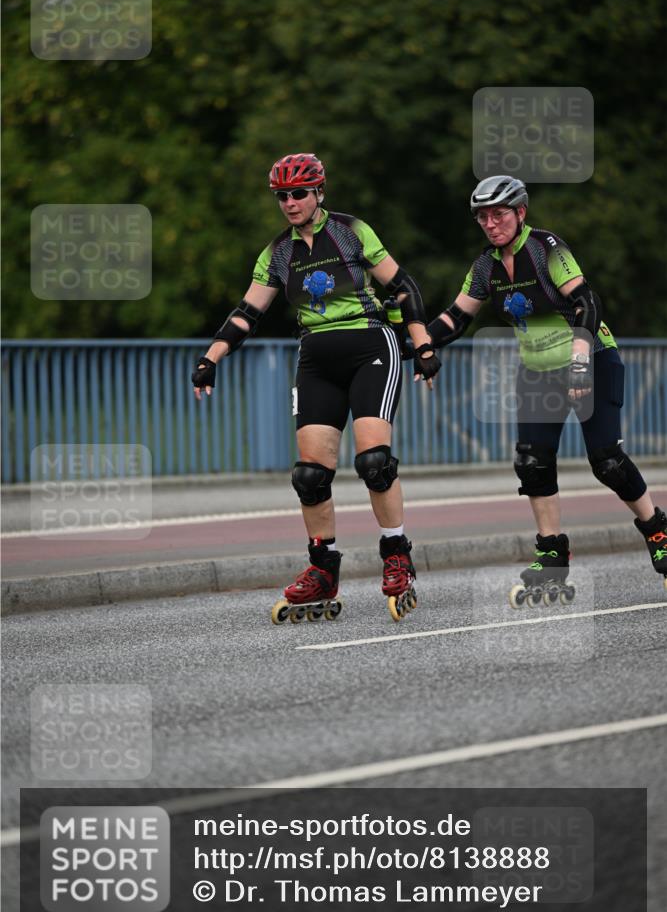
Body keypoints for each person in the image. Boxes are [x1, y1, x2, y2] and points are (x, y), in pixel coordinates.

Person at [192, 153, 441, 621]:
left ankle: (396, 555)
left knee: (373, 462)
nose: (290, 202)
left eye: (299, 193)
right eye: (282, 196)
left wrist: (423, 344)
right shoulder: (278, 253)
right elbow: (247, 312)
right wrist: (211, 357)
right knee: (309, 475)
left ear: (319, 193)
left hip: (371, 345)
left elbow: (403, 285)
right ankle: (323, 569)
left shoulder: (351, 231)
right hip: (316, 358)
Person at [425, 175, 667, 601]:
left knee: (606, 460)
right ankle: (552, 555)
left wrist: (578, 363)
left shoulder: (546, 249)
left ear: (520, 212)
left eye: (498, 214)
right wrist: (418, 346)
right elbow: (456, 317)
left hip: (590, 357)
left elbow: (586, 304)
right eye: (482, 216)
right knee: (532, 461)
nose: (490, 223)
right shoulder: (485, 267)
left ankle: (657, 530)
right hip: (538, 371)